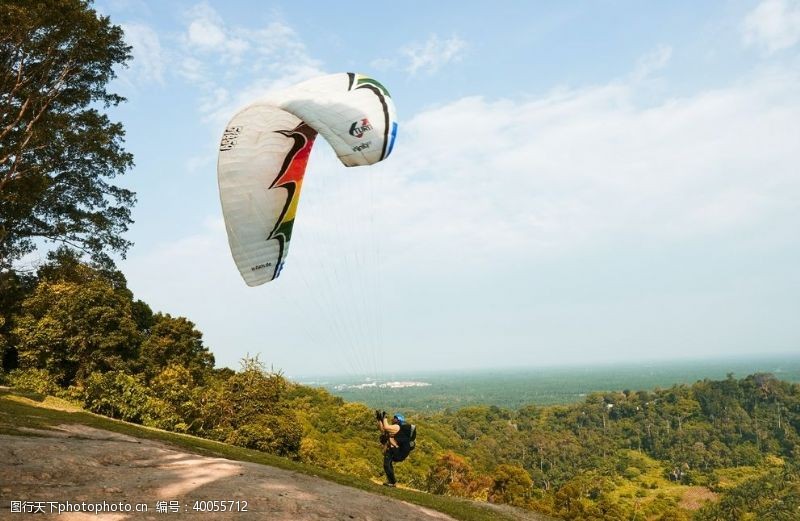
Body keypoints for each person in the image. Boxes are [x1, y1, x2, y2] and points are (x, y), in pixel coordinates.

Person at [375, 410, 410, 487]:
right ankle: (391, 481)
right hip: (393, 449)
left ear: (398, 420)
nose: (393, 419)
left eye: (394, 418)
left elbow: (386, 427)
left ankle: (392, 482)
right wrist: (379, 419)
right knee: (388, 464)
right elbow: (383, 429)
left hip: (394, 450)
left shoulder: (397, 427)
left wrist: (384, 418)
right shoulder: (395, 427)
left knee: (386, 465)